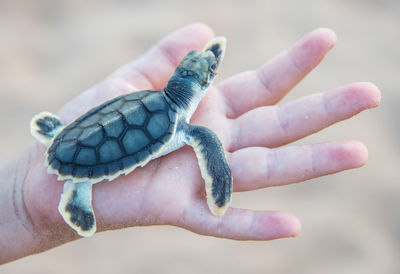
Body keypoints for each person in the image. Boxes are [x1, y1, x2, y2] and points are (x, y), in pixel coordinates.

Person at [0, 23, 380, 264]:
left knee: (114, 122)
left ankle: (59, 137)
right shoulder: (185, 127)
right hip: (98, 150)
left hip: (79, 132)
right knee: (208, 143)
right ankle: (79, 190)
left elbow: (201, 61)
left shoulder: (151, 96)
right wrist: (219, 180)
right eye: (209, 71)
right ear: (203, 83)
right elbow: (210, 144)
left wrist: (20, 205)